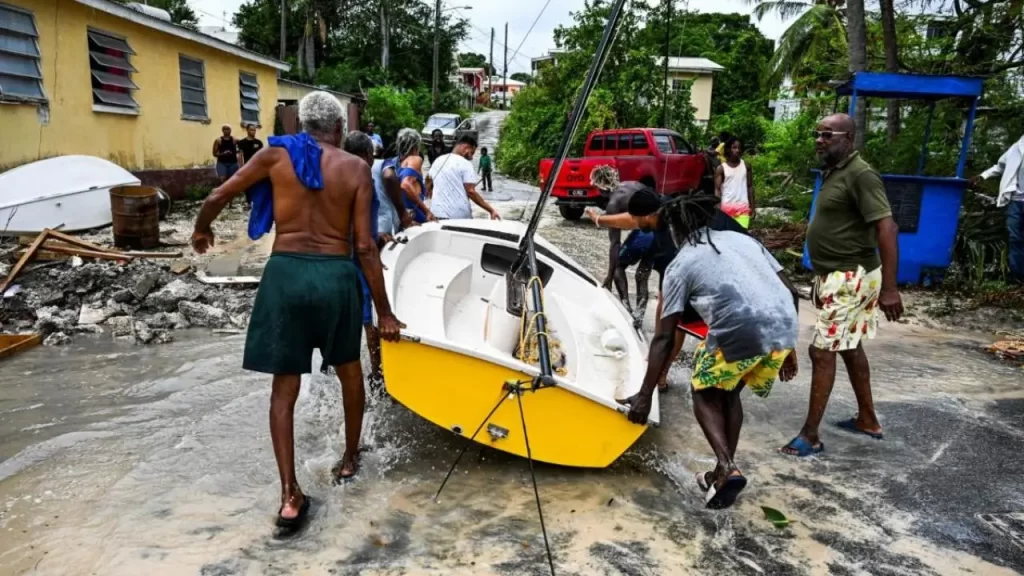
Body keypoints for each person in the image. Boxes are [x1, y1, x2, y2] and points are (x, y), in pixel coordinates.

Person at [191, 91, 403, 534]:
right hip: (335, 276)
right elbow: (364, 246)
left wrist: (201, 230)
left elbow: (218, 194)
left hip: (285, 276)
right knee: (350, 372)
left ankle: (289, 495)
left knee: (283, 389)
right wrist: (384, 313)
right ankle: (348, 461)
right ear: (341, 129)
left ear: (300, 126)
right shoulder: (356, 167)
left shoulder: (273, 156)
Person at [621, 193, 799, 509]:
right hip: (784, 326)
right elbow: (791, 291)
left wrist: (645, 394)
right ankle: (720, 473)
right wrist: (789, 348)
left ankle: (727, 465)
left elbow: (664, 337)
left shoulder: (682, 262)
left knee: (703, 390)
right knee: (728, 393)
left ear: (674, 230)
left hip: (741, 327)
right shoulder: (743, 240)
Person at [781, 113, 903, 458]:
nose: (820, 140)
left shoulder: (862, 174)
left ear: (848, 137)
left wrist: (890, 289)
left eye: (827, 134)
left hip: (852, 275)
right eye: (817, 133)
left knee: (822, 350)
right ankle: (868, 419)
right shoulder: (835, 171)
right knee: (848, 345)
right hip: (835, 275)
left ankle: (811, 435)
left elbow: (887, 228)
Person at [587, 186, 748, 392]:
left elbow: (669, 307)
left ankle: (660, 371)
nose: (634, 224)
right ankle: (662, 369)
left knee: (672, 323)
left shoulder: (673, 240)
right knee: (672, 318)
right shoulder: (664, 207)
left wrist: (653, 363)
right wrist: (600, 220)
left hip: (726, 283)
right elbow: (632, 218)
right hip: (738, 265)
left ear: (649, 216)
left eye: (638, 221)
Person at [344, 131, 405, 394]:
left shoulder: (338, 174)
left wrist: (374, 234)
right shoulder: (363, 177)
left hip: (344, 254)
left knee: (349, 316)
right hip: (359, 256)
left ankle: (345, 370)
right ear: (370, 155)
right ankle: (377, 376)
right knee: (371, 319)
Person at [585, 165, 655, 322]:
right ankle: (640, 316)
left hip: (645, 233)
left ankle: (627, 310)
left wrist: (609, 277)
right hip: (660, 231)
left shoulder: (613, 205)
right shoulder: (633, 184)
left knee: (618, 267)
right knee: (642, 275)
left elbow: (615, 244)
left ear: (601, 188)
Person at [970, 133, 1024, 284]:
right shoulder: (1017, 147)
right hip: (1015, 200)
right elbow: (999, 166)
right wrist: (982, 176)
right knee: (1015, 238)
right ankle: (1018, 276)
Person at [427, 134, 500, 220]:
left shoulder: (438, 160)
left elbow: (428, 184)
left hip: (436, 214)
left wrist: (436, 203)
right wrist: (491, 210)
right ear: (466, 147)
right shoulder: (466, 164)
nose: (472, 157)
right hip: (459, 217)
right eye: (472, 152)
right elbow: (471, 191)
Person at [395, 128, 436, 223]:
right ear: (415, 147)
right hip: (415, 212)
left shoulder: (397, 162)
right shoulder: (415, 159)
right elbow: (405, 185)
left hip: (403, 214)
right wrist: (426, 210)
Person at [715, 136, 755, 228]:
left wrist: (752, 206)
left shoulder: (746, 166)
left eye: (740, 148)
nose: (737, 150)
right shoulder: (721, 169)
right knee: (728, 237)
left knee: (742, 236)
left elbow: (750, 187)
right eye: (734, 147)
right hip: (726, 209)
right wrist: (718, 209)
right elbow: (717, 190)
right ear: (728, 149)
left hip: (743, 208)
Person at [237, 124, 264, 207]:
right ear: (247, 130)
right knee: (247, 184)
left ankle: (257, 201)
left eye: (254, 130)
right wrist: (241, 167)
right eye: (252, 130)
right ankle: (248, 201)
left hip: (257, 167)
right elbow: (239, 155)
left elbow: (262, 155)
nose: (253, 131)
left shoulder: (258, 142)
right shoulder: (242, 143)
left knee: (257, 184)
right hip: (247, 166)